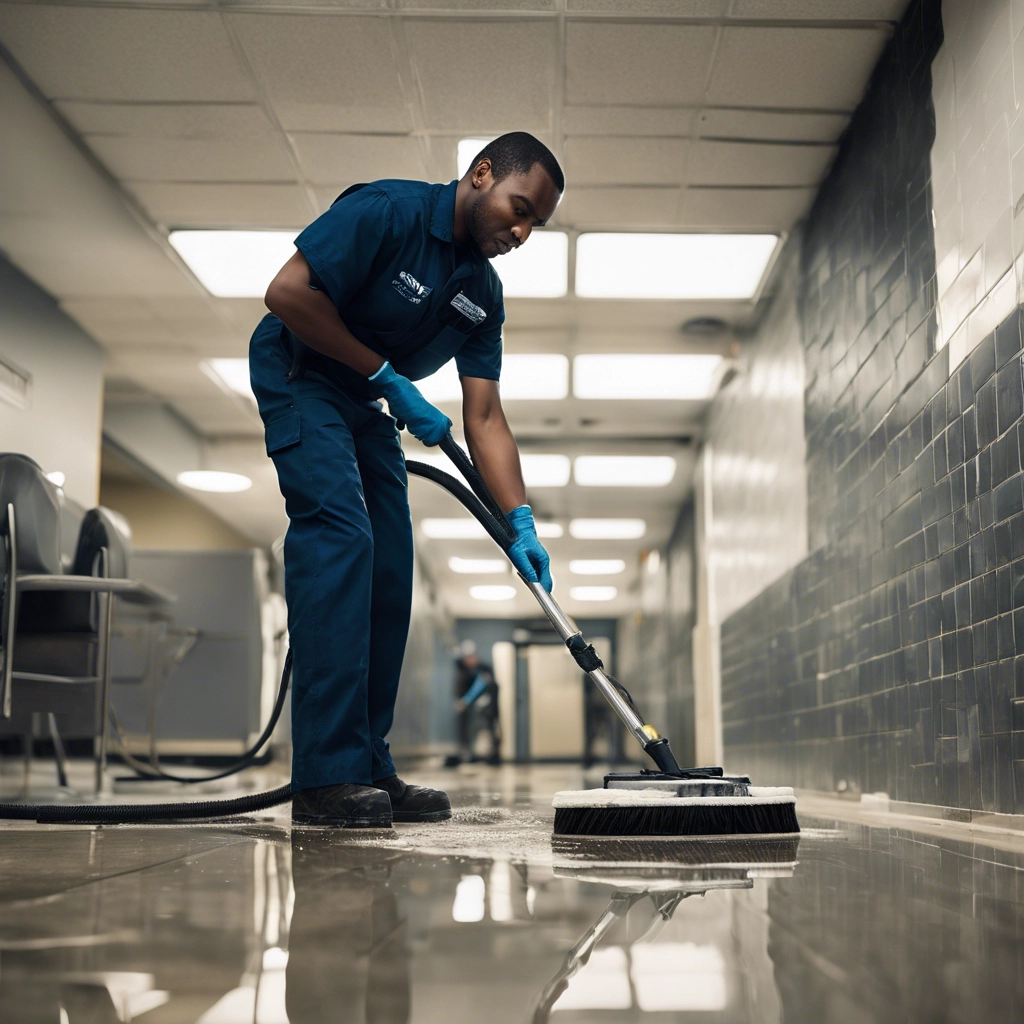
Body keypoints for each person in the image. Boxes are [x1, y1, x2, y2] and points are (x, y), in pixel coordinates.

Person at [250, 133, 563, 827]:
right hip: (302, 371)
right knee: (343, 538)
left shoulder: (481, 293)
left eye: (533, 225)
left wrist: (519, 520)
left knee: (392, 567)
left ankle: (367, 763)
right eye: (517, 209)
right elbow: (285, 294)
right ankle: (325, 776)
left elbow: (484, 417)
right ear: (481, 174)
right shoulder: (387, 212)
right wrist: (386, 375)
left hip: (366, 403)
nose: (519, 232)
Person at [449, 640, 501, 765]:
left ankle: (491, 755)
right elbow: (460, 694)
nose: (471, 660)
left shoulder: (485, 669)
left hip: (487, 710)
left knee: (488, 731)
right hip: (469, 712)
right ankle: (469, 754)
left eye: (472, 657)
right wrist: (464, 701)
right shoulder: (462, 672)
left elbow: (492, 686)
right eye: (468, 658)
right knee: (468, 731)